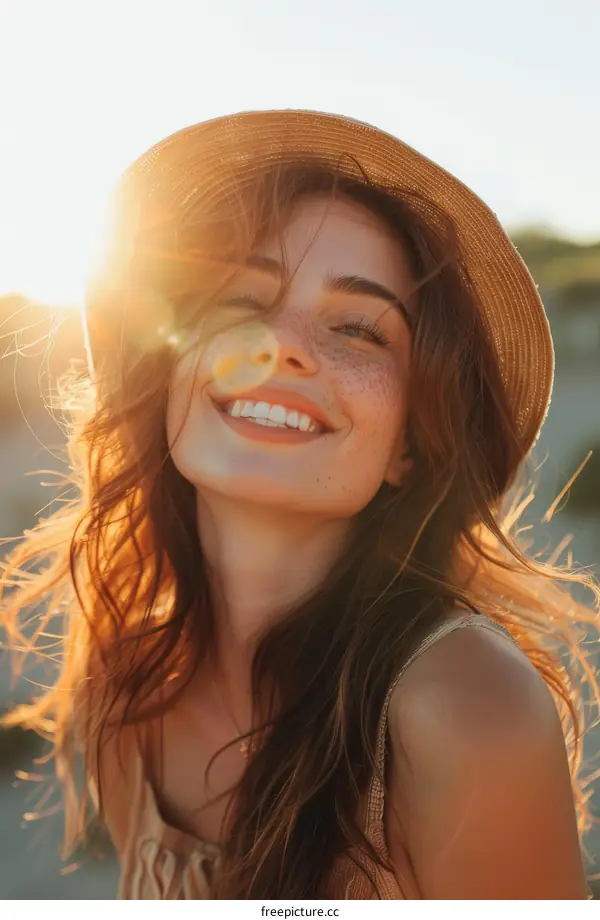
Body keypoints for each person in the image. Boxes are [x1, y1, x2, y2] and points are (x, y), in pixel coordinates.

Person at [1, 110, 598, 900]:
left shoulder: (461, 703)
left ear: (409, 447)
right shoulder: (129, 675)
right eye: (243, 300)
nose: (279, 345)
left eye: (357, 327)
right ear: (171, 372)